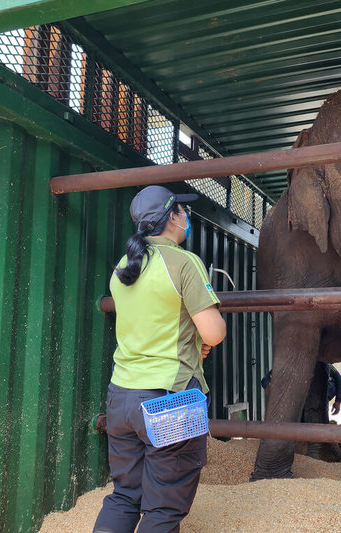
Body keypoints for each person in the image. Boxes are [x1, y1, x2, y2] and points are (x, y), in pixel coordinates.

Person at [94, 185, 227, 533]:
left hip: (121, 398)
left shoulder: (124, 267)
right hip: (168, 399)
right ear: (173, 216)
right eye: (184, 211)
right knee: (163, 509)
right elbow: (213, 332)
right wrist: (201, 337)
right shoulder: (184, 263)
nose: (187, 217)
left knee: (124, 496)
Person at [260, 363, 341, 415]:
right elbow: (265, 380)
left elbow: (339, 378)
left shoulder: (323, 364)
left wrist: (338, 401)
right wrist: (268, 387)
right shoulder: (289, 363)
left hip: (317, 396)